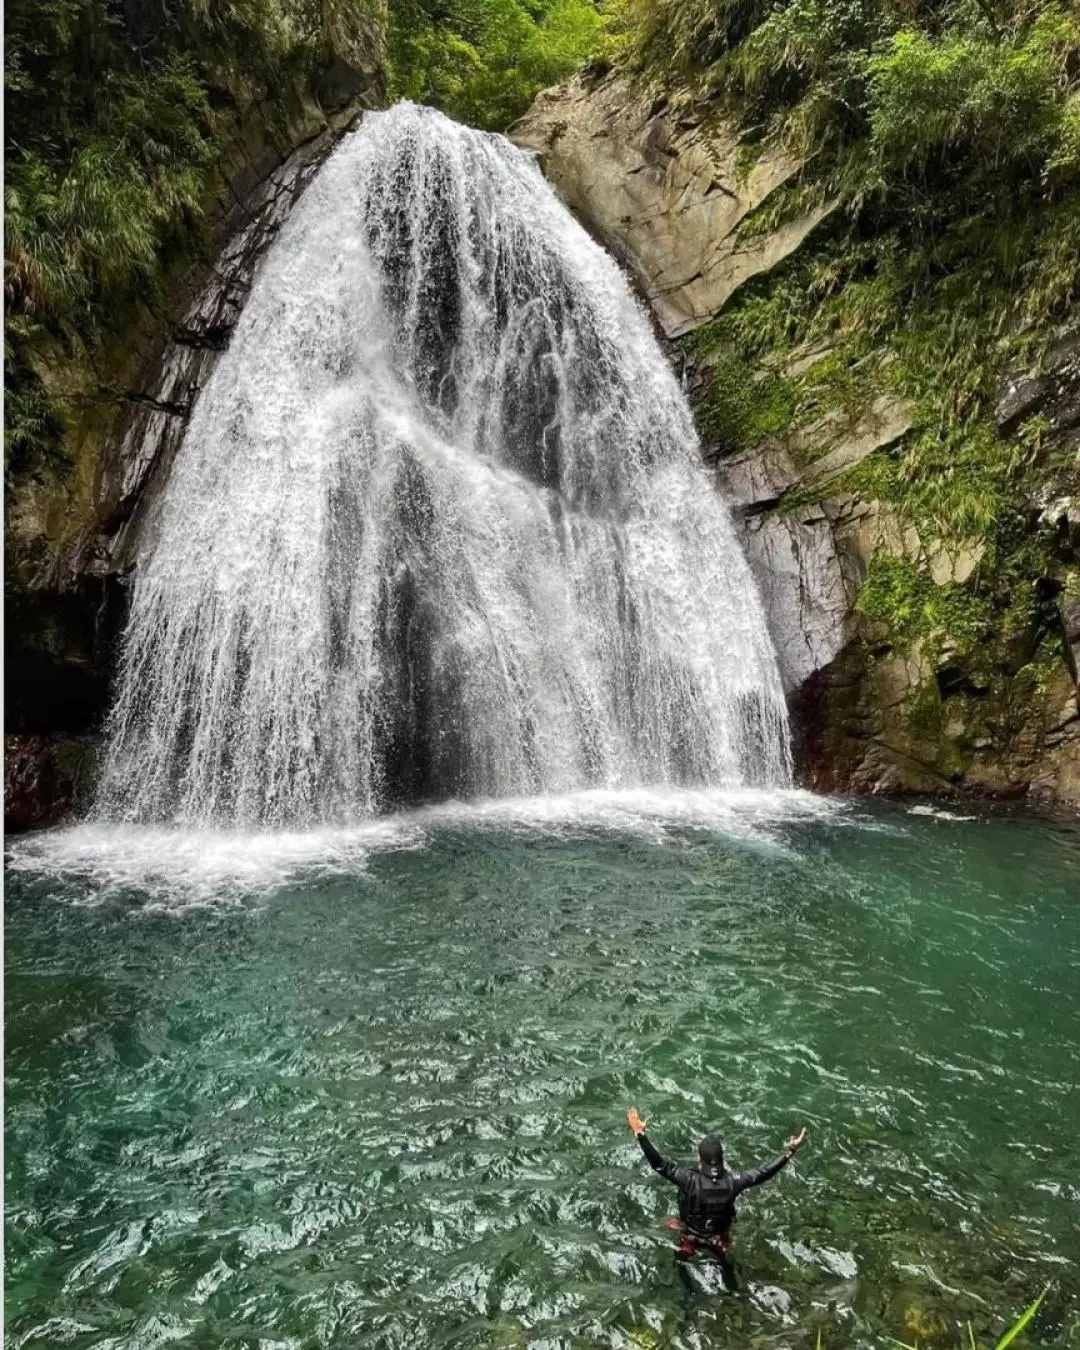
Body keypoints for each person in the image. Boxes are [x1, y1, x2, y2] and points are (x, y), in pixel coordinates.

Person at [626, 1106, 807, 1286]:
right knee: (725, 1263)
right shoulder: (733, 1182)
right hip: (719, 1239)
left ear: (700, 1160)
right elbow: (764, 1172)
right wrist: (790, 1150)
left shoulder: (689, 1180)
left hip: (689, 1235)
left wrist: (639, 1133)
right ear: (722, 1160)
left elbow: (659, 1165)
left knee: (680, 1259)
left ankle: (688, 1298)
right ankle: (732, 1291)